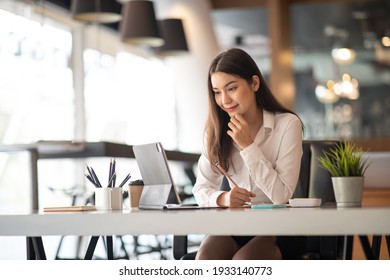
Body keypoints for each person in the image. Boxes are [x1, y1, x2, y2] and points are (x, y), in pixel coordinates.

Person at [192, 48, 304, 260]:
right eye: (217, 92)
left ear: (254, 83)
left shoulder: (288, 125)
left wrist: (248, 146)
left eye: (231, 88)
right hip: (235, 225)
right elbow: (201, 188)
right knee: (205, 259)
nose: (224, 100)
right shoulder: (215, 132)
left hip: (277, 229)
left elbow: (281, 196)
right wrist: (223, 198)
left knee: (243, 262)